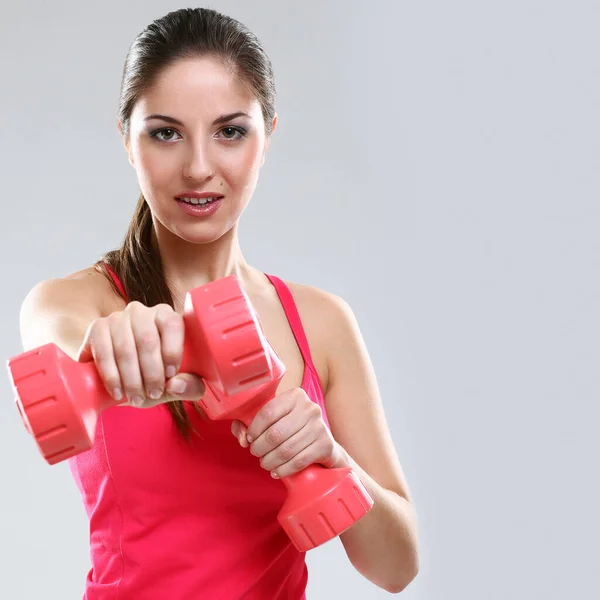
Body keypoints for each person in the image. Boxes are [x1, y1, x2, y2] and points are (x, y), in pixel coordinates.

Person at [18, 7, 419, 599]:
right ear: (128, 141)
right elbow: (59, 339)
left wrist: (333, 459)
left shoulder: (322, 322)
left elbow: (396, 567)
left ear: (267, 138)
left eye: (230, 131)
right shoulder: (77, 301)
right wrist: (121, 343)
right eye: (165, 132)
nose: (199, 168)